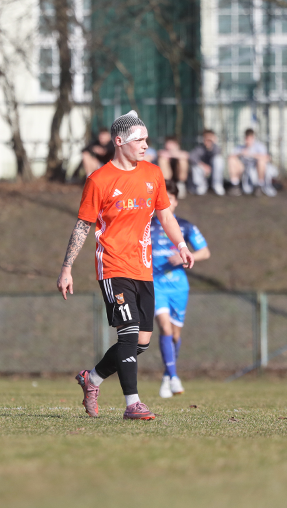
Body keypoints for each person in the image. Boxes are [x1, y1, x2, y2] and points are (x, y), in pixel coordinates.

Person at [57, 110, 194, 421]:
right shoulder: (98, 180)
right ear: (119, 142)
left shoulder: (153, 174)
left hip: (143, 269)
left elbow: (166, 215)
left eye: (147, 139)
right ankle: (133, 403)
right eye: (139, 140)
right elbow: (82, 226)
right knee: (129, 335)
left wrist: (182, 246)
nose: (146, 145)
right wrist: (67, 268)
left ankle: (91, 379)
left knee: (141, 342)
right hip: (113, 266)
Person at [151, 180, 210, 398]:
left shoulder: (185, 226)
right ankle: (174, 376)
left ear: (175, 202)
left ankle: (168, 376)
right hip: (156, 285)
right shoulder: (146, 224)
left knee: (175, 335)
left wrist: (186, 256)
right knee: (165, 329)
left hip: (178, 287)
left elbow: (205, 252)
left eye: (170, 199)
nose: (166, 203)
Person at [227, 128, 277, 196]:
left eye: (250, 139)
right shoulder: (240, 147)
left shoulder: (259, 146)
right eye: (247, 138)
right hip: (245, 169)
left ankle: (259, 186)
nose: (248, 141)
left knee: (261, 162)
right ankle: (235, 186)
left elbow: (267, 158)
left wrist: (251, 154)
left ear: (253, 138)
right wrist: (240, 153)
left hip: (256, 169)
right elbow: (230, 157)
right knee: (232, 160)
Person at [189, 130, 225, 196]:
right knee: (195, 165)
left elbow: (217, 153)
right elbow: (192, 157)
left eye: (210, 138)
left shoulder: (216, 148)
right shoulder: (199, 148)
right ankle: (201, 186)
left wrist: (210, 147)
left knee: (219, 160)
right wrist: (204, 166)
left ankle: (217, 185)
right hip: (203, 171)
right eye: (206, 138)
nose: (208, 141)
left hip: (213, 171)